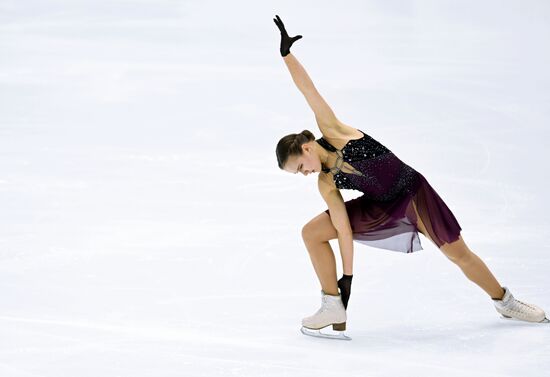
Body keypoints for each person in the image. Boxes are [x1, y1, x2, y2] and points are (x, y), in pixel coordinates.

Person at [272, 14, 548, 338]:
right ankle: (330, 302)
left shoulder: (333, 131)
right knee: (312, 232)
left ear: (306, 148)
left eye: (300, 167)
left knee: (460, 255)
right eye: (298, 175)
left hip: (415, 195)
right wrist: (346, 282)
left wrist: (287, 56)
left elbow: (308, 90)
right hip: (381, 206)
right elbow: (343, 231)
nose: (305, 174)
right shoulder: (326, 182)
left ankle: (505, 301)